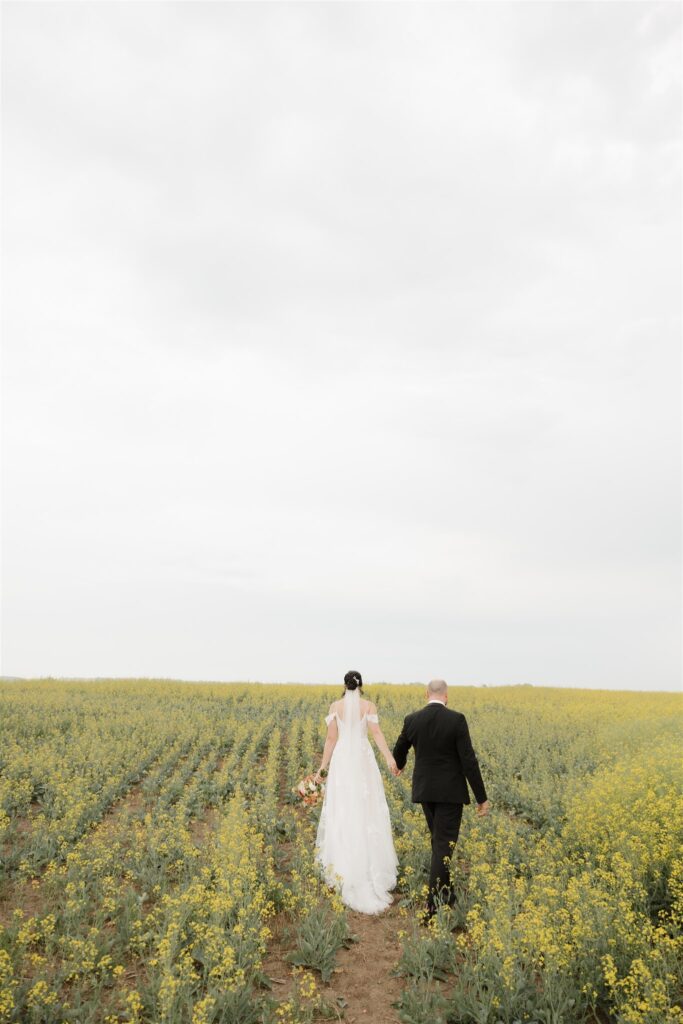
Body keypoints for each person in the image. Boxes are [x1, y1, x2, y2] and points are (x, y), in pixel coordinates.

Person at [393, 678, 490, 918]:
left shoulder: (412, 719)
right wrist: (482, 798)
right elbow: (469, 760)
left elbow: (399, 751)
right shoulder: (456, 720)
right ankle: (432, 904)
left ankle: (446, 894)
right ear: (446, 695)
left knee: (439, 842)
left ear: (427, 694)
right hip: (450, 793)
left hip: (425, 791)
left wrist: (400, 765)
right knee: (443, 844)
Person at [312, 670, 400, 914]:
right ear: (361, 686)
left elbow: (331, 740)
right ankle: (369, 867)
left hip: (342, 761)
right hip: (362, 760)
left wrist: (322, 769)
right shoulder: (368, 706)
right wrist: (390, 758)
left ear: (344, 685)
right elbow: (377, 734)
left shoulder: (335, 706)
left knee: (343, 808)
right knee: (366, 808)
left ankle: (342, 865)